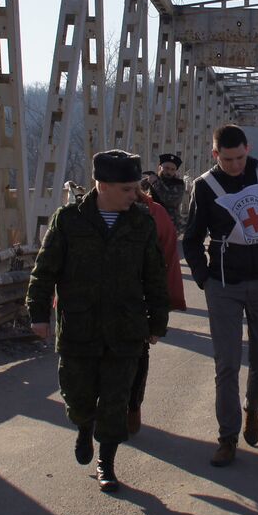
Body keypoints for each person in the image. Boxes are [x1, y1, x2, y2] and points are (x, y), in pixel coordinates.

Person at [27, 151, 170, 493]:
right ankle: (82, 426)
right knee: (78, 395)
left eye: (136, 188)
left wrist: (157, 322)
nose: (134, 195)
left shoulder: (141, 222)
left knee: (116, 398)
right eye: (126, 189)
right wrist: (38, 313)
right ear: (102, 185)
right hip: (80, 326)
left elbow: (154, 276)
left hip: (126, 327)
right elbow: (45, 270)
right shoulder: (69, 220)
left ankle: (107, 461)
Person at [182, 124, 258, 467]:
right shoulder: (204, 186)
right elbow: (191, 237)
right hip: (224, 284)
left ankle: (253, 407)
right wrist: (204, 278)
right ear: (215, 154)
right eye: (227, 159)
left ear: (249, 148)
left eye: (240, 157)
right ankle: (227, 436)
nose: (234, 165)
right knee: (227, 363)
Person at [129, 190, 189, 434]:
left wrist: (159, 316)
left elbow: (167, 261)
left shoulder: (155, 214)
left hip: (138, 304)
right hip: (97, 307)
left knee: (136, 361)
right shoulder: (85, 213)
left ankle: (132, 407)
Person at [143, 153, 188, 230]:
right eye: (166, 168)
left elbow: (169, 200)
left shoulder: (178, 184)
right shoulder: (152, 179)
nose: (169, 172)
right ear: (160, 167)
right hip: (150, 223)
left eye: (172, 169)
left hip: (169, 224)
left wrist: (155, 183)